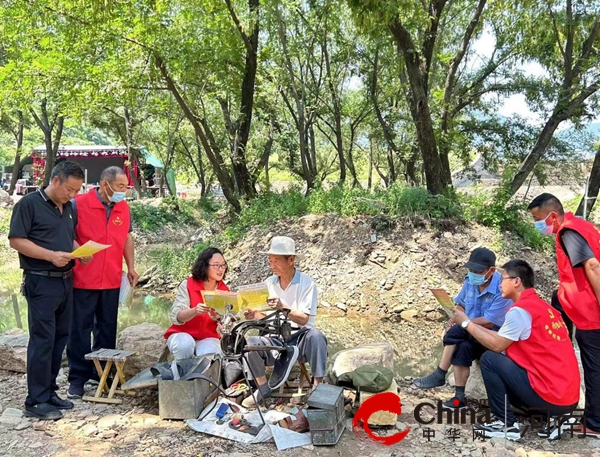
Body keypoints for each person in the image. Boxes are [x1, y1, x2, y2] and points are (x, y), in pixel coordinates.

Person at [451, 260, 579, 440]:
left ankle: (505, 424)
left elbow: (497, 344)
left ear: (516, 281)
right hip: (568, 397)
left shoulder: (520, 311)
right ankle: (558, 417)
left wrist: (465, 322)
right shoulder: (544, 308)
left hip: (553, 396)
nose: (499, 284)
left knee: (490, 359)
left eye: (503, 279)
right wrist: (469, 324)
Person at [8, 161, 91, 420]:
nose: (72, 195)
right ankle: (35, 399)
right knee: (42, 339)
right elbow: (17, 241)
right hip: (41, 280)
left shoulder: (67, 208)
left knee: (60, 338)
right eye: (69, 189)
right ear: (55, 180)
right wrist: (50, 256)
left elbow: (67, 237)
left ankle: (50, 390)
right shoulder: (28, 204)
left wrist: (81, 251)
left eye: (77, 190)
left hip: (66, 279)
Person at [528, 193, 600, 438]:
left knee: (594, 368)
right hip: (581, 308)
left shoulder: (568, 231)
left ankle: (594, 424)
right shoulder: (582, 225)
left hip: (591, 314)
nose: (538, 225)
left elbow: (592, 266)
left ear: (552, 216)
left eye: (538, 219)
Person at [66, 166, 140, 399]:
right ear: (105, 184)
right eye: (120, 187)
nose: (124, 191)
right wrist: (78, 250)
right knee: (79, 329)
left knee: (107, 329)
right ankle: (77, 378)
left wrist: (131, 267)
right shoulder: (78, 204)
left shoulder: (123, 207)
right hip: (82, 278)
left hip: (111, 278)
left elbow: (127, 238)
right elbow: (65, 235)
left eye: (126, 187)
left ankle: (103, 375)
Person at [413, 247, 513, 409]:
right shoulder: (470, 281)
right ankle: (459, 398)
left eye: (478, 271)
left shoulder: (501, 289)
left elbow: (488, 322)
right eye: (471, 269)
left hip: (492, 338)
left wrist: (463, 322)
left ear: (492, 270)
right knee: (463, 347)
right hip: (470, 334)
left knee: (457, 331)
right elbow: (461, 305)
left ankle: (440, 373)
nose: (473, 273)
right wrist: (455, 317)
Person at [242, 236, 328, 408]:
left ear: (291, 260)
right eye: (270, 261)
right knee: (250, 342)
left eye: (276, 261)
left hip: (300, 337)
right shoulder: (269, 283)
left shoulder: (306, 283)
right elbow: (266, 318)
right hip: (275, 336)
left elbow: (304, 319)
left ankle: (318, 384)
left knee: (317, 336)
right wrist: (254, 315)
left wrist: (283, 307)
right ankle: (262, 387)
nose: (272, 265)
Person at [163, 247, 228, 372]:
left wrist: (221, 321)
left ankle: (204, 387)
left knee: (211, 356)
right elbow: (176, 316)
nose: (221, 269)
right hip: (182, 334)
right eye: (216, 265)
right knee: (184, 345)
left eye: (223, 265)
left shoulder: (224, 290)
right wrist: (194, 311)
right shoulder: (188, 284)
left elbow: (226, 322)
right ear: (204, 266)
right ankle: (179, 381)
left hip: (208, 337)